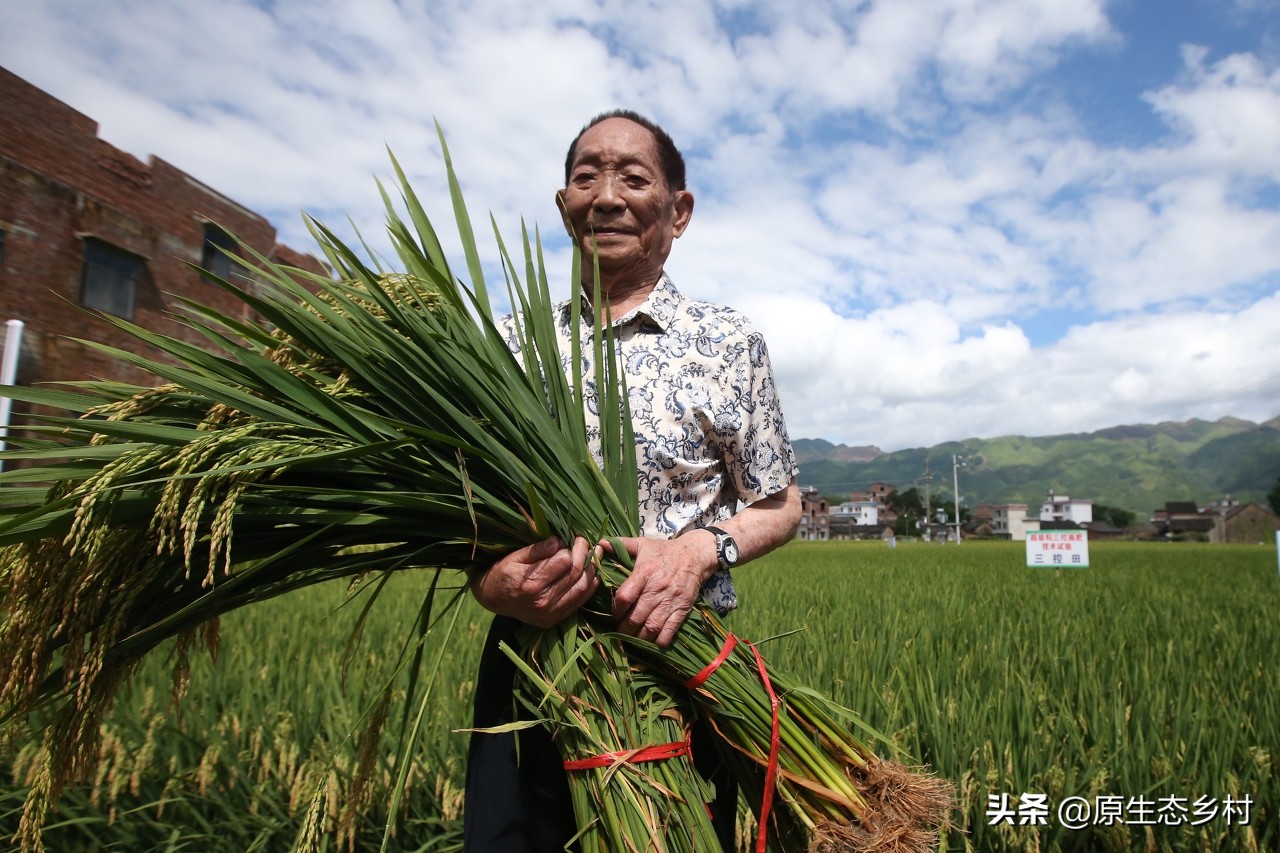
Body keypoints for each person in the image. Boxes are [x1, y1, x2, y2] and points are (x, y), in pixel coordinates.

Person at [463, 109, 801, 852]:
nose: (606, 195)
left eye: (633, 177)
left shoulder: (727, 342)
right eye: (586, 176)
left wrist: (699, 552)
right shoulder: (510, 346)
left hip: (677, 669)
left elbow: (779, 503)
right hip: (533, 671)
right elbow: (466, 522)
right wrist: (494, 585)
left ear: (678, 212)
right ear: (563, 205)